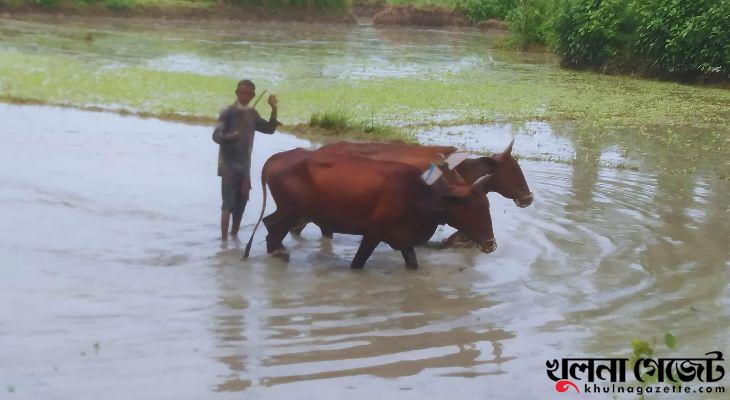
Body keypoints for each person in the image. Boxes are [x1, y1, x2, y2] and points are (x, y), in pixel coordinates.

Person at [213, 79, 278, 241]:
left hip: (244, 167)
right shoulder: (227, 112)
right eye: (241, 92)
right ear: (236, 93)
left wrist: (274, 109)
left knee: (241, 204)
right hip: (228, 165)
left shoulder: (252, 114)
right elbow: (216, 136)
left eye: (248, 94)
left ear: (253, 96)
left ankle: (234, 235)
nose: (244, 96)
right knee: (227, 204)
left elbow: (269, 130)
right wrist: (230, 137)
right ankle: (224, 241)